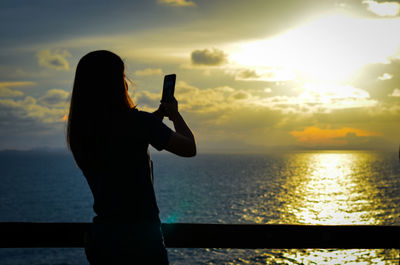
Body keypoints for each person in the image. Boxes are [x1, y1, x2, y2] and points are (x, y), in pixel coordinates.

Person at [66, 50, 196, 264]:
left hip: (103, 239)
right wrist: (174, 115)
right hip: (141, 239)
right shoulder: (140, 124)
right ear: (117, 83)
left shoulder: (81, 131)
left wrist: (153, 120)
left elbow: (119, 137)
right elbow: (189, 148)